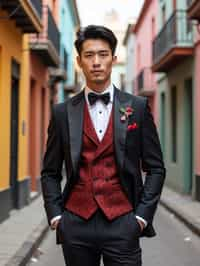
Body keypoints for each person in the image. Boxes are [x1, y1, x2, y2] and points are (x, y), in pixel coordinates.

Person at [41, 25, 166, 266]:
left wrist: (141, 216)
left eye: (103, 54)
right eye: (89, 55)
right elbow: (50, 171)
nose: (96, 62)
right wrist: (56, 216)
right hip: (76, 224)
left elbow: (156, 168)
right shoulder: (61, 112)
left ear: (113, 59)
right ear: (79, 61)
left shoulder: (137, 108)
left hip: (123, 223)